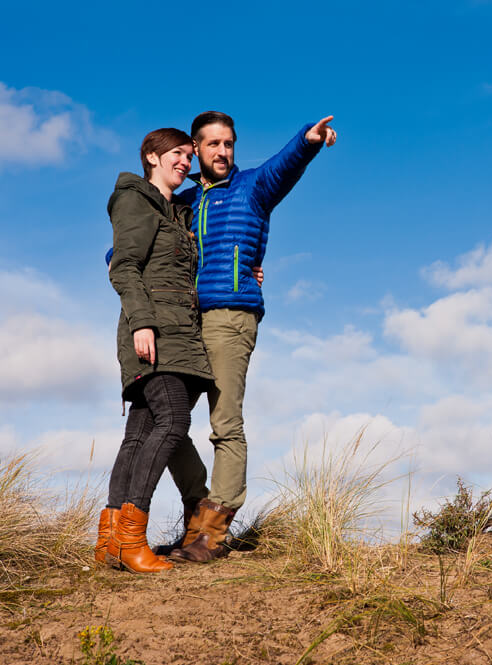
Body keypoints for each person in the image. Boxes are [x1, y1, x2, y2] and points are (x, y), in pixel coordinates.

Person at [166, 112, 337, 563]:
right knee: (167, 423)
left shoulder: (252, 188)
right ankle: (196, 510)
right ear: (196, 150)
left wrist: (309, 139)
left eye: (229, 144)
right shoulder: (183, 203)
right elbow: (144, 232)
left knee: (224, 423)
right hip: (186, 322)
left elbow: (284, 165)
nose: (223, 152)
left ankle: (212, 533)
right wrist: (112, 255)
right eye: (213, 145)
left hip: (230, 315)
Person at [94, 127, 214, 574]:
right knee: (174, 420)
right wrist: (143, 322)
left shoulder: (173, 210)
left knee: (139, 434)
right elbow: (124, 266)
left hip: (174, 331)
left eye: (189, 155)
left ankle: (110, 541)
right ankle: (131, 540)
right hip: (154, 331)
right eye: (177, 154)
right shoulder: (135, 199)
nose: (185, 161)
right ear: (151, 156)